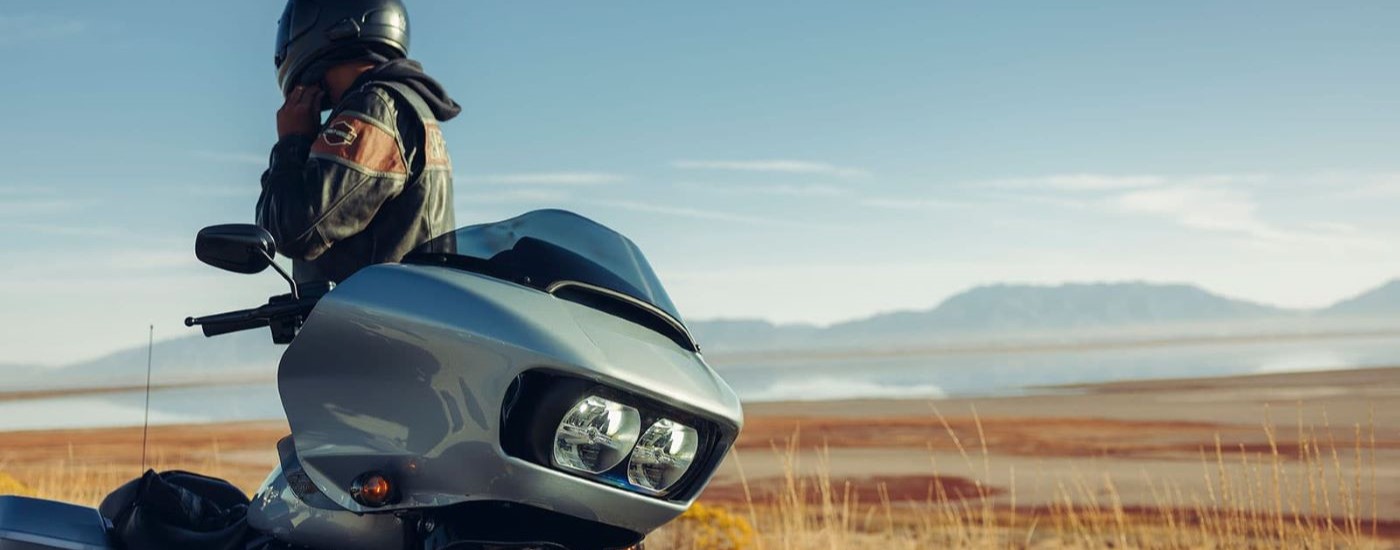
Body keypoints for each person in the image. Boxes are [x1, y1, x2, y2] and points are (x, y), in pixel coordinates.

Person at [257, 0, 461, 284]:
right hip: (401, 314)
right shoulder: (406, 105)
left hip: (373, 324)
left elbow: (293, 230)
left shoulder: (374, 109)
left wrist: (292, 144)